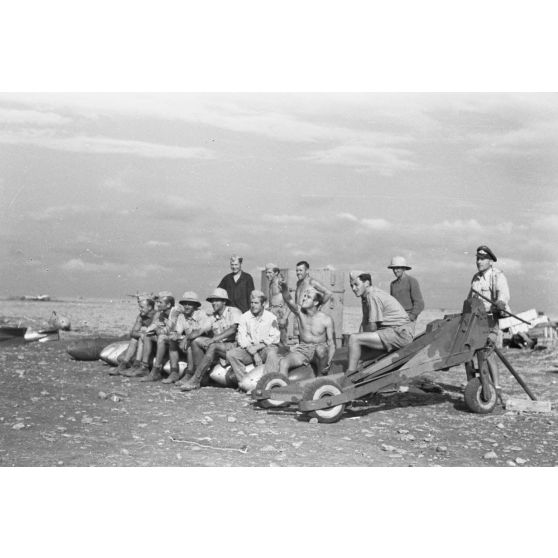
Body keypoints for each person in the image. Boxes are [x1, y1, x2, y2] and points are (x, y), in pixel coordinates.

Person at [346, 272, 415, 374]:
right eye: (351, 286)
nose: (353, 289)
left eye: (356, 284)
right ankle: (361, 374)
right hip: (390, 332)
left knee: (354, 338)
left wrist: (358, 339)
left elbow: (372, 327)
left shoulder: (372, 296)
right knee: (357, 351)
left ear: (366, 283)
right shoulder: (365, 297)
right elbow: (365, 322)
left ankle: (349, 376)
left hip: (400, 334)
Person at [265, 279, 336, 378]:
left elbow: (331, 343)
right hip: (303, 350)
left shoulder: (326, 319)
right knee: (283, 362)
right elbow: (288, 299)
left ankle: (320, 381)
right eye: (305, 296)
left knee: (321, 350)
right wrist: (285, 289)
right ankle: (283, 390)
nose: (304, 299)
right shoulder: (300, 312)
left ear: (315, 302)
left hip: (318, 350)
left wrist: (329, 360)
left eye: (308, 297)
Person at [179, 288, 242, 391]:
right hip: (221, 345)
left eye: (216, 300)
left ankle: (196, 379)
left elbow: (233, 329)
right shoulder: (214, 316)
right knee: (196, 341)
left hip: (234, 345)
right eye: (212, 301)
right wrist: (186, 338)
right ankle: (202, 376)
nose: (213, 303)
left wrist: (214, 339)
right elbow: (200, 330)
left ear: (224, 302)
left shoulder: (234, 312)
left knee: (213, 345)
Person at [469, 245, 510, 391]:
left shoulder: (497, 276)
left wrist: (500, 303)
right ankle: (478, 384)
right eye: (478, 259)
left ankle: (496, 386)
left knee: (488, 352)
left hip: (491, 320)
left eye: (483, 259)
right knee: (473, 352)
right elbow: (470, 299)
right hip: (476, 321)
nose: (479, 262)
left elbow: (503, 295)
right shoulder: (476, 278)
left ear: (491, 261)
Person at [226, 290, 281, 383]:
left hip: (265, 348)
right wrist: (254, 353)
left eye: (256, 303)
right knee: (231, 354)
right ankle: (244, 382)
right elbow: (241, 338)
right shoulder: (244, 317)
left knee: (272, 353)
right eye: (251, 303)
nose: (253, 305)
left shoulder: (271, 317)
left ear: (263, 304)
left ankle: (267, 382)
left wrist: (258, 347)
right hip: (249, 350)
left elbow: (274, 337)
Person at [165, 291, 210, 384]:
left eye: (190, 304)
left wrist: (185, 338)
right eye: (185, 304)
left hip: (202, 344)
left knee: (191, 344)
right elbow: (178, 331)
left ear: (195, 306)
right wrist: (175, 335)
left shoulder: (201, 314)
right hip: (190, 340)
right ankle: (174, 372)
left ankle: (189, 374)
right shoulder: (182, 316)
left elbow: (199, 332)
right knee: (172, 341)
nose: (186, 306)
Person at [138, 291, 180, 382]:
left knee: (161, 337)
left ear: (168, 305)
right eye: (157, 302)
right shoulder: (162, 313)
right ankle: (144, 367)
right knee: (147, 336)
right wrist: (148, 330)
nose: (157, 304)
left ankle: (156, 369)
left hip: (179, 338)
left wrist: (157, 330)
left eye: (160, 302)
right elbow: (156, 324)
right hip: (171, 337)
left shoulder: (175, 311)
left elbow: (169, 329)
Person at [112, 294, 156, 376]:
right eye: (139, 307)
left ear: (149, 307)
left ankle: (139, 365)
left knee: (142, 337)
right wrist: (141, 334)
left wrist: (143, 333)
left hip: (153, 344)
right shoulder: (140, 316)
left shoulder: (156, 316)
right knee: (135, 339)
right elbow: (133, 333)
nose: (140, 309)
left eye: (142, 307)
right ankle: (124, 364)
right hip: (145, 341)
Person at [388, 256, 425, 322]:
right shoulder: (393, 284)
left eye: (397, 268)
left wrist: (412, 316)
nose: (395, 271)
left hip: (408, 317)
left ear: (404, 268)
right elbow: (392, 303)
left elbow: (419, 303)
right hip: (395, 317)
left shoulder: (412, 281)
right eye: (393, 268)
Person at [265, 263, 290, 345]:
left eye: (269, 272)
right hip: (272, 312)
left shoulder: (280, 283)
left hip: (280, 313)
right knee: (273, 339)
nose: (267, 275)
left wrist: (285, 317)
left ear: (276, 273)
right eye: (266, 272)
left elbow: (290, 301)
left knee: (282, 340)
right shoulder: (271, 283)